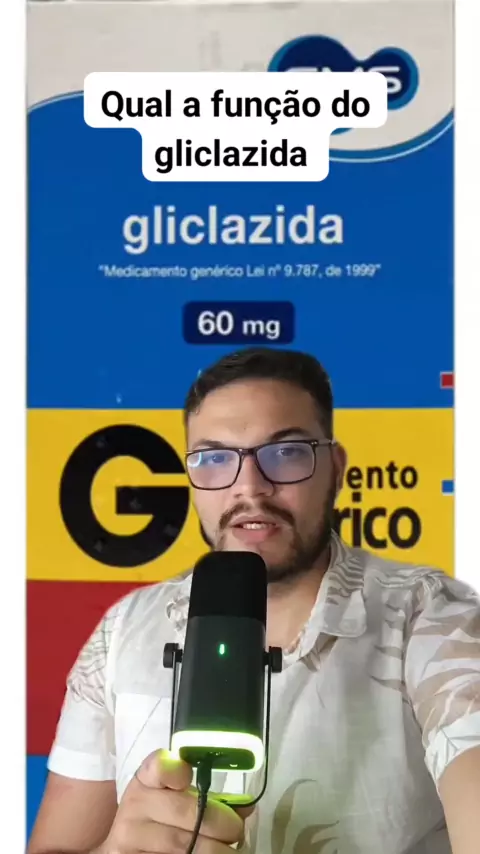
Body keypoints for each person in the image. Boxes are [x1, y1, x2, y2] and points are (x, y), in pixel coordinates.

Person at [28, 347, 480, 854]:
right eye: (214, 458)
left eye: (285, 453)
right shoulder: (123, 632)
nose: (249, 488)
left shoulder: (432, 617)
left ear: (335, 469)